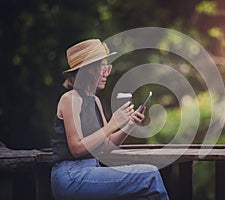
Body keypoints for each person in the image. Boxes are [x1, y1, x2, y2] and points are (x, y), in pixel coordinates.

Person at [51, 39, 169, 200]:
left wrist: (130, 124)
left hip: (90, 172)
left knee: (141, 191)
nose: (107, 72)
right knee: (150, 175)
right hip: (72, 176)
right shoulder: (70, 99)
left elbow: (106, 145)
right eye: (102, 67)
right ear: (88, 71)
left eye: (107, 67)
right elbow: (76, 148)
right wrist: (113, 123)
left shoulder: (95, 101)